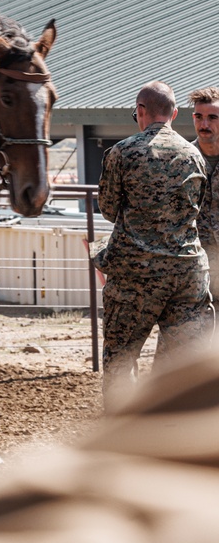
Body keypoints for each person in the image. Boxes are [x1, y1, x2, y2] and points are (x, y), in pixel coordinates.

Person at [96, 79, 213, 400]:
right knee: (182, 366)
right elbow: (196, 209)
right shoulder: (194, 156)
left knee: (121, 361)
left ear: (140, 111)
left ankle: (122, 437)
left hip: (136, 275)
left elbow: (107, 209)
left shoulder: (121, 153)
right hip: (187, 275)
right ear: (175, 113)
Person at [189, 86, 219, 291]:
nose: (204, 124)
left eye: (213, 118)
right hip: (196, 263)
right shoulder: (182, 160)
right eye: (199, 117)